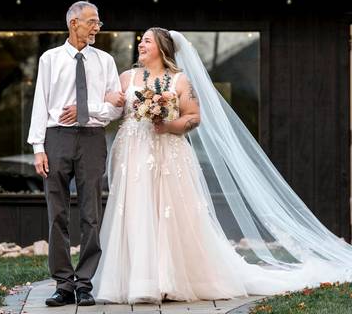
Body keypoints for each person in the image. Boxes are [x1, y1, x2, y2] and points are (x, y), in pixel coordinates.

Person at [91, 27, 352, 304]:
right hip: (132, 155)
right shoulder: (126, 77)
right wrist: (109, 99)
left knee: (170, 214)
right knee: (135, 211)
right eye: (141, 40)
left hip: (169, 155)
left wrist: (168, 124)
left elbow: (194, 117)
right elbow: (114, 110)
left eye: (147, 41)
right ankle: (136, 280)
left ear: (162, 48)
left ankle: (169, 280)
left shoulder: (179, 81)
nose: (141, 45)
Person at [27, 1, 125, 307]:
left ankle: (85, 283)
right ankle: (63, 284)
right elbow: (40, 103)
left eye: (98, 22)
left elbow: (115, 107)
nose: (97, 26)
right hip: (56, 138)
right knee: (56, 214)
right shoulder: (50, 59)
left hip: (93, 138)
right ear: (74, 23)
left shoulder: (106, 61)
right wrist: (38, 147)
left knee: (91, 214)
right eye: (92, 21)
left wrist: (86, 110)